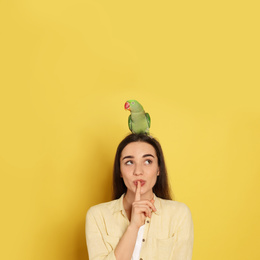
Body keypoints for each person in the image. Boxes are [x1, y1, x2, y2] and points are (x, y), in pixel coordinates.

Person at [85, 134, 194, 260]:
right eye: (129, 162)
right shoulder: (97, 216)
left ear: (158, 169)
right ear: (120, 170)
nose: (138, 171)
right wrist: (133, 227)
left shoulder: (179, 214)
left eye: (148, 161)